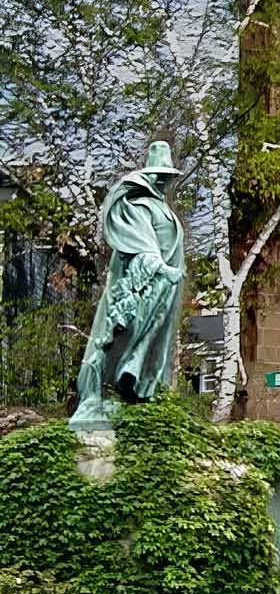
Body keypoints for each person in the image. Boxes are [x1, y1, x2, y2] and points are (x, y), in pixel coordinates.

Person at [68, 142, 186, 429]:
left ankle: (139, 393)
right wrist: (162, 269)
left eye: (166, 175)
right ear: (147, 174)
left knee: (152, 345)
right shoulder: (138, 205)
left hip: (164, 290)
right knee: (127, 338)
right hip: (143, 289)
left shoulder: (162, 208)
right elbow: (143, 247)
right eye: (157, 174)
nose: (161, 180)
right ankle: (108, 392)